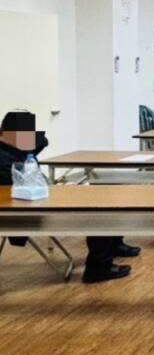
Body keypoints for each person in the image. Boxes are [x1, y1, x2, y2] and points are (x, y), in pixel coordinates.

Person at [0, 110, 136, 283]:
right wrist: (57, 192)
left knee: (106, 195)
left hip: (40, 199)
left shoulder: (15, 148)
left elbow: (43, 141)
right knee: (98, 210)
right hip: (22, 211)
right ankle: (98, 268)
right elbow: (22, 188)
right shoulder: (4, 159)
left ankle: (114, 246)